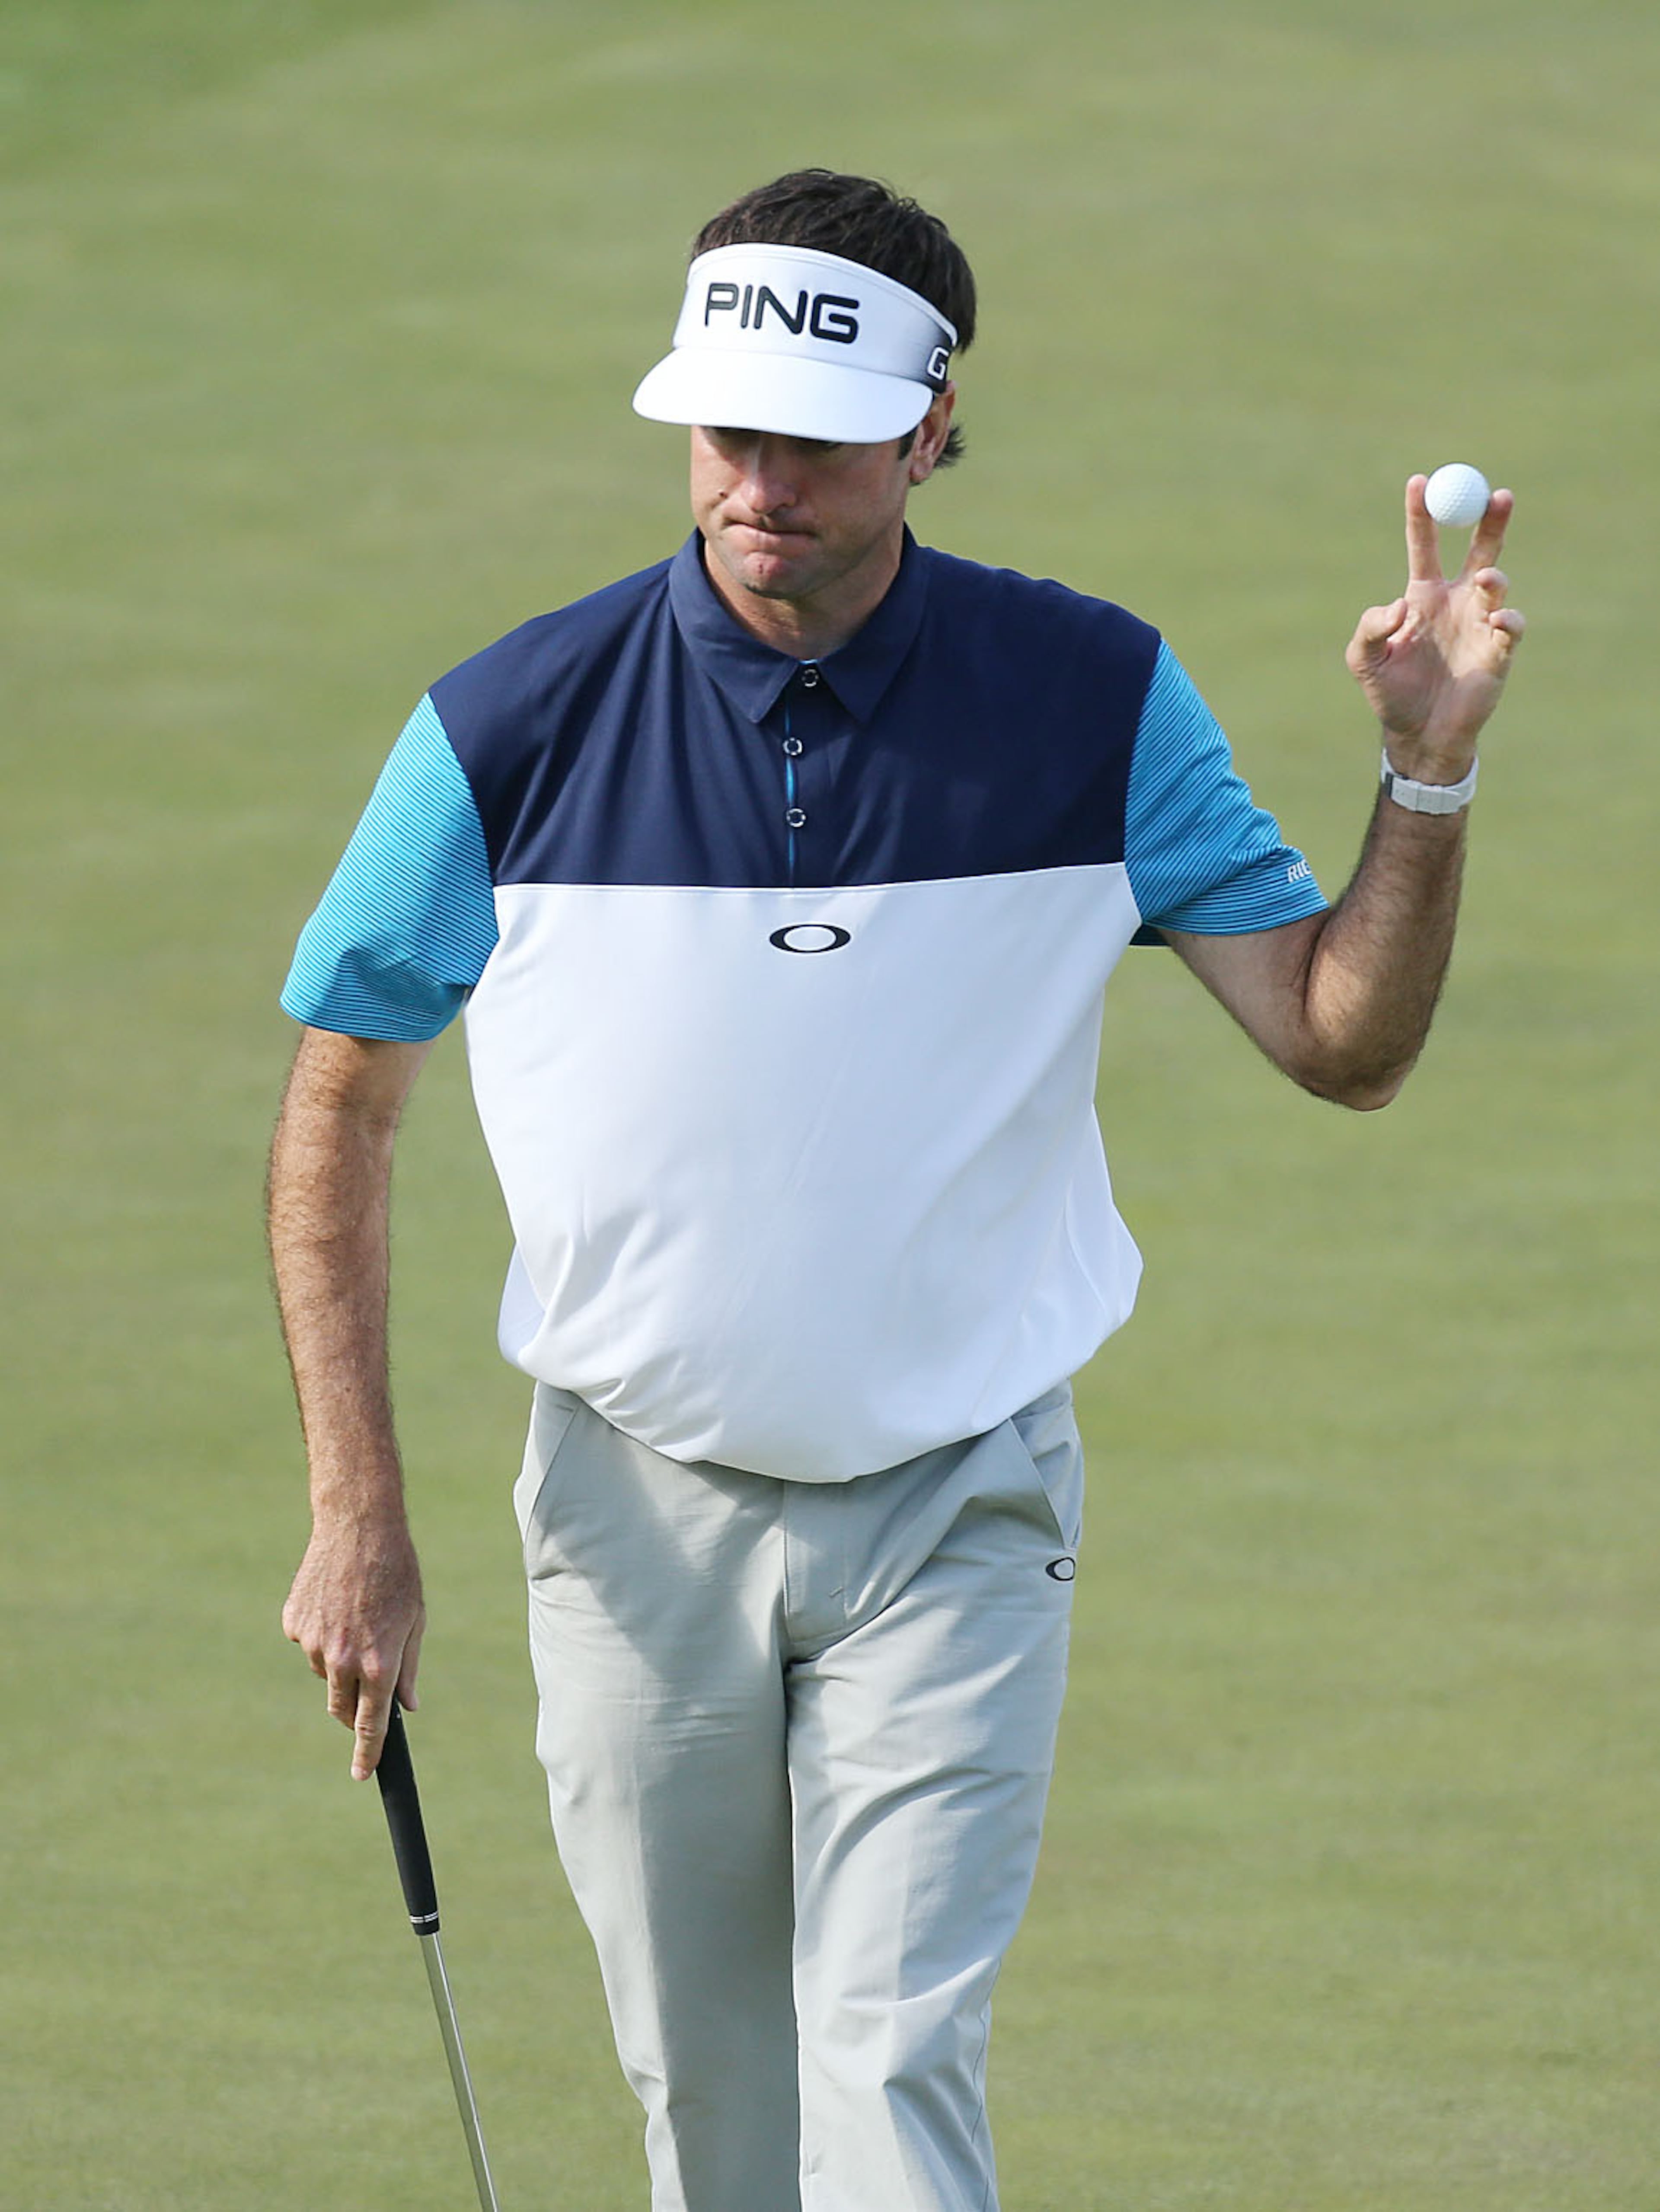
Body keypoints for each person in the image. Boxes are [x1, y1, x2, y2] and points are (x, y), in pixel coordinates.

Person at [271, 168, 1523, 2212]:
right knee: (719, 2116)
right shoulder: (508, 727)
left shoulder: (1089, 700)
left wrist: (1428, 776)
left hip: (959, 1498)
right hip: (629, 1509)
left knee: (891, 2065)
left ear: (933, 427)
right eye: (724, 428)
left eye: (814, 439)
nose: (757, 479)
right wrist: (358, 1511)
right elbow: (341, 1104)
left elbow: (1339, 1038)